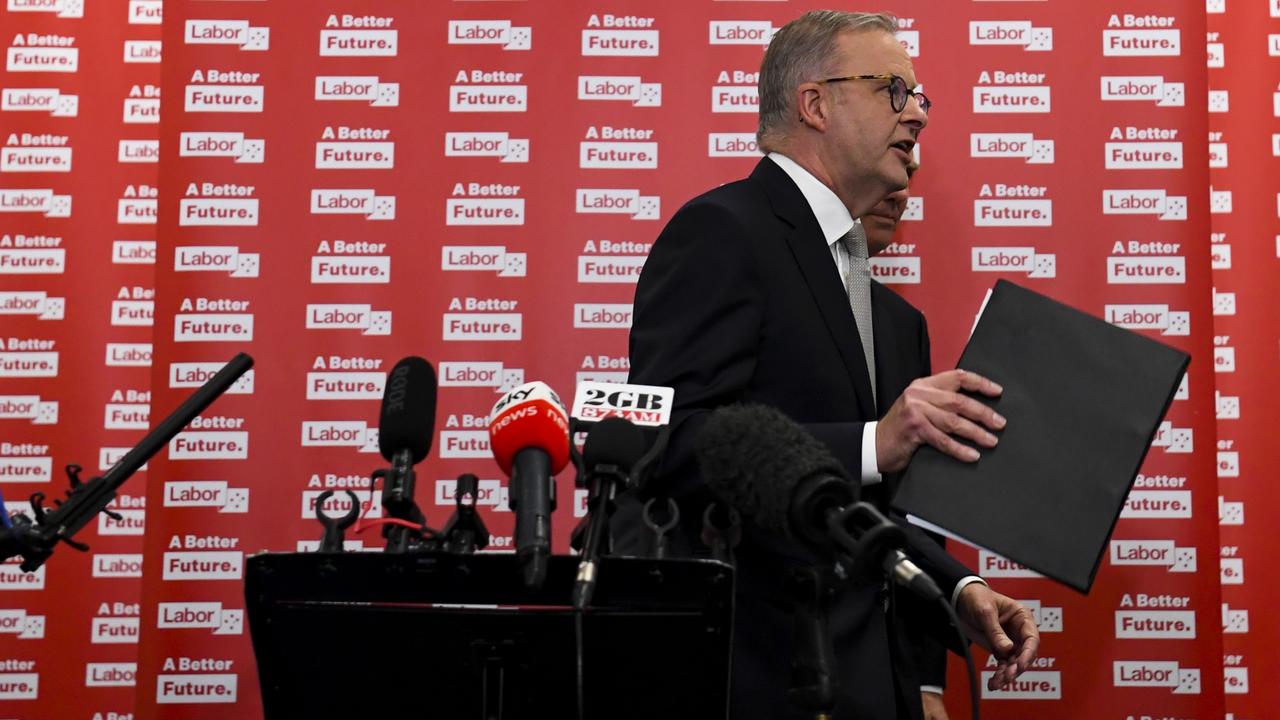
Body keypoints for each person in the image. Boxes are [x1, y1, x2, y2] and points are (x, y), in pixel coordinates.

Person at [622, 10, 1040, 720]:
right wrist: (875, 440)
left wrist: (955, 593)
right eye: (893, 91)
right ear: (814, 103)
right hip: (760, 675)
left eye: (920, 100)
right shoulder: (724, 232)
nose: (916, 118)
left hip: (874, 687)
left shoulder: (886, 308)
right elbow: (670, 445)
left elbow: (875, 512)